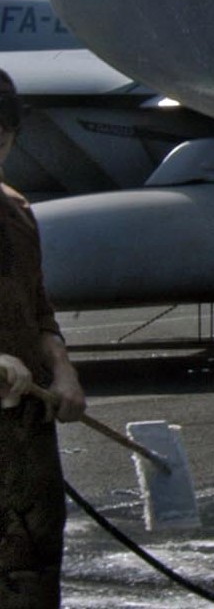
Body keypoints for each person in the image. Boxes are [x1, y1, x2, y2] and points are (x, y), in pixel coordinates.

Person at [0, 69, 86, 608]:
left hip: (24, 440)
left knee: (31, 572)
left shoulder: (16, 210)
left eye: (2, 134)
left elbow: (39, 311)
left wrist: (65, 373)